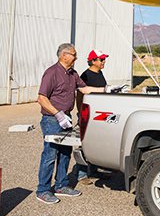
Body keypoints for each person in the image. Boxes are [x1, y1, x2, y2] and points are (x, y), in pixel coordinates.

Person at [36, 43, 121, 204]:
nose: (76, 57)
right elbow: (41, 98)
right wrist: (57, 113)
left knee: (65, 153)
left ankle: (61, 186)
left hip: (65, 118)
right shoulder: (52, 73)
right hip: (52, 120)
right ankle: (43, 190)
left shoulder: (73, 74)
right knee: (50, 155)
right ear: (64, 55)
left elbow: (85, 89)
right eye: (74, 54)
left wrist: (106, 89)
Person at [75, 49, 109, 185]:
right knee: (85, 144)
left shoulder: (100, 73)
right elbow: (80, 95)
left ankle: (94, 170)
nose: (104, 62)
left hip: (99, 114)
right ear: (93, 61)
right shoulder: (85, 75)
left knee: (97, 143)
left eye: (104, 59)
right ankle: (82, 174)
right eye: (101, 60)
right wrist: (80, 114)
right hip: (88, 114)